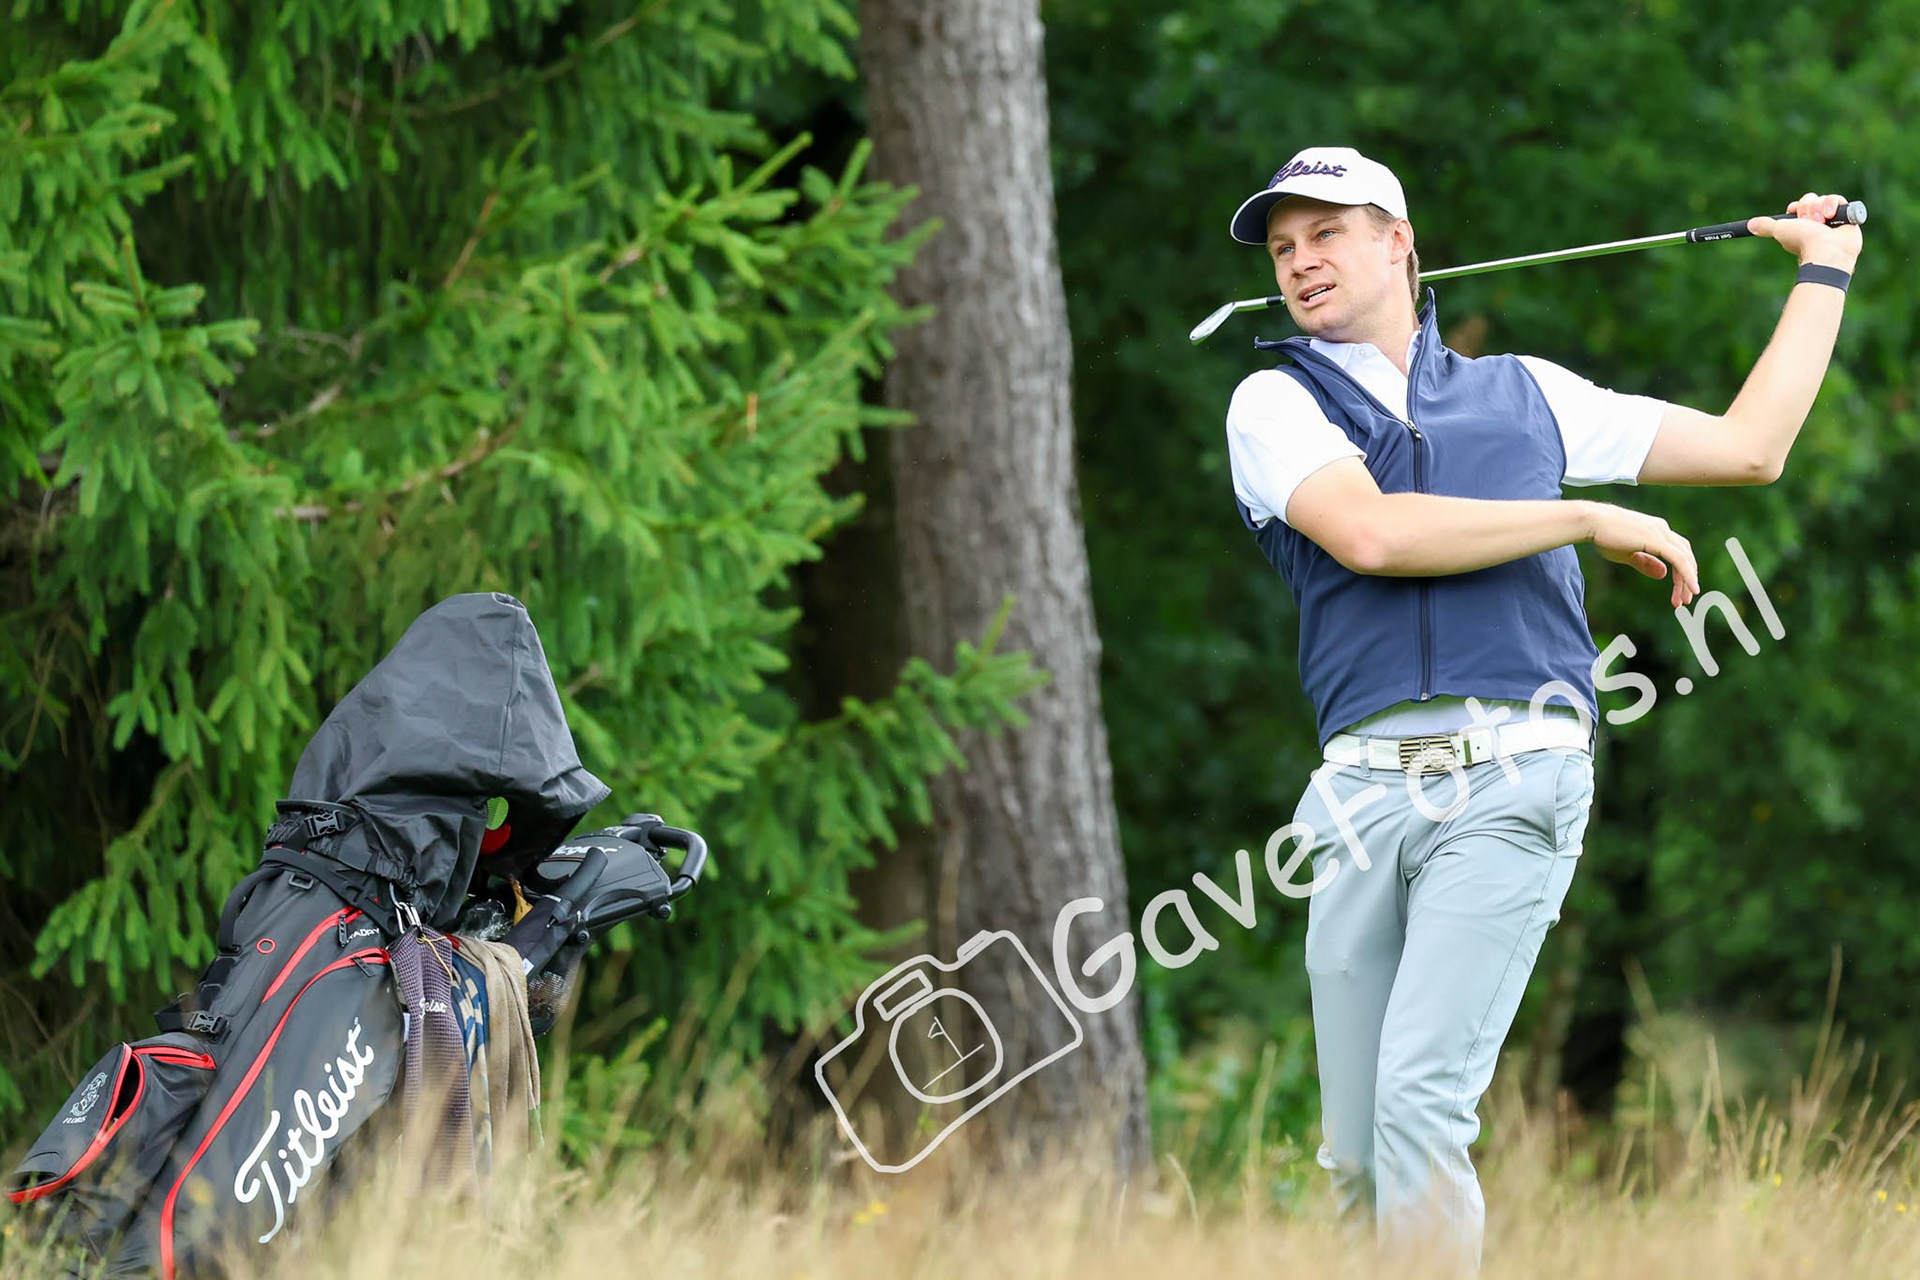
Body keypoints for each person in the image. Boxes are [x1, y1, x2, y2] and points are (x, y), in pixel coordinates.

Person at [1219, 145, 1861, 1269]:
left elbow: (1751, 448)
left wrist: (1826, 270)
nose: (1301, 261)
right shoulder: (1273, 400)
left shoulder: (1528, 396)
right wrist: (1581, 519)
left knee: (1419, 1099)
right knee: (1357, 1154)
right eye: (1283, 247)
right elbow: (1375, 536)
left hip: (1517, 772)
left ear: (1398, 243)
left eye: (1327, 232)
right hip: (1362, 793)